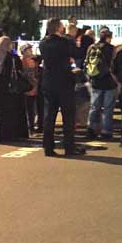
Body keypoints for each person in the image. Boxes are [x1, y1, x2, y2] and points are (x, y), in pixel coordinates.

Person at [40, 18, 85, 157]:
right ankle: (69, 147)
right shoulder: (65, 42)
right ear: (58, 28)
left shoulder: (43, 43)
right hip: (64, 81)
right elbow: (78, 53)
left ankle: (48, 147)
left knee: (49, 116)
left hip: (49, 81)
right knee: (68, 116)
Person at [0, 37, 29, 142]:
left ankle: (2, 134)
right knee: (13, 111)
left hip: (0, 88)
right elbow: (19, 71)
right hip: (12, 88)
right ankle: (15, 133)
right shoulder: (12, 58)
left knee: (2, 113)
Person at [85, 28, 117, 140]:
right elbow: (114, 66)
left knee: (94, 107)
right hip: (109, 82)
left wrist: (89, 77)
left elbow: (86, 63)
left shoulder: (92, 47)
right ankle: (106, 131)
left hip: (95, 81)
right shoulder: (112, 49)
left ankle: (91, 129)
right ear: (109, 37)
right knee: (108, 109)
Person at [20, 43, 39, 134]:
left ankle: (31, 126)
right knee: (29, 109)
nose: (31, 51)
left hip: (33, 87)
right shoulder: (23, 61)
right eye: (29, 49)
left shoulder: (33, 60)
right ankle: (29, 127)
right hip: (28, 87)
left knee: (32, 109)